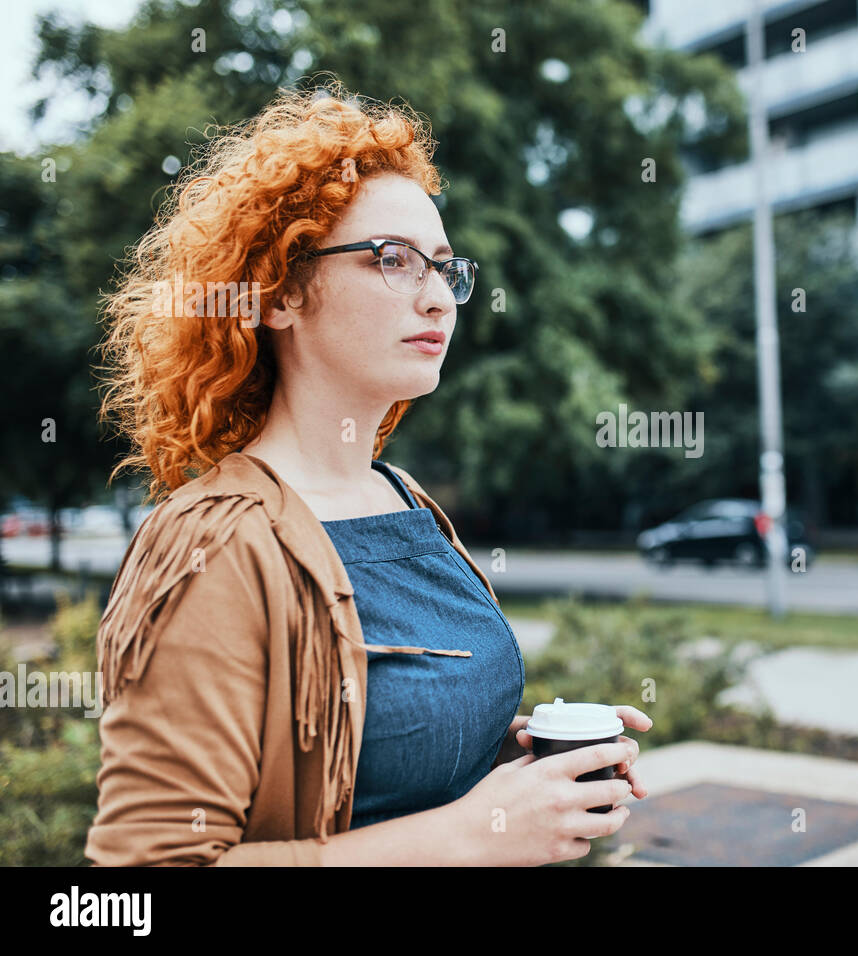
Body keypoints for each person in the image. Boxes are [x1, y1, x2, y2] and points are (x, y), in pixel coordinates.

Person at [87, 81, 650, 866]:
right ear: (279, 293)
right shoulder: (213, 543)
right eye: (393, 260)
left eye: (446, 270)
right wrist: (466, 837)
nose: (439, 300)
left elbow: (376, 775)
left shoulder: (404, 499)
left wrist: (526, 772)